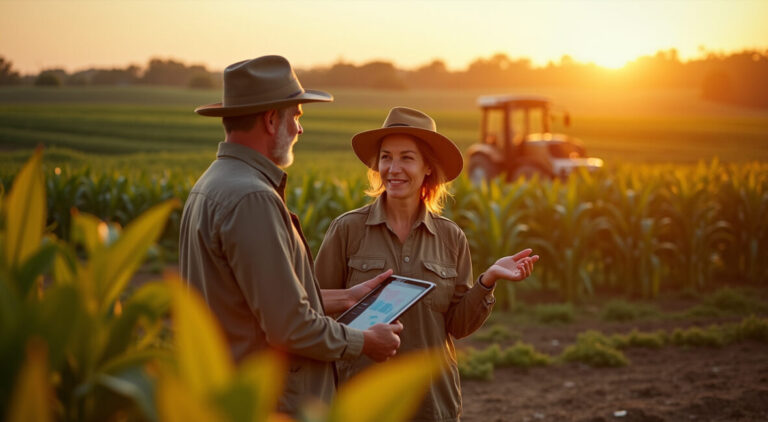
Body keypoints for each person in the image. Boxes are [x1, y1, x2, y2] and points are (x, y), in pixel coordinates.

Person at [179, 56, 403, 414]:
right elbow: (290, 328)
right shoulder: (252, 197)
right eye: (296, 115)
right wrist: (363, 341)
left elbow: (254, 304)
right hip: (269, 403)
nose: (300, 129)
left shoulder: (211, 184)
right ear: (271, 120)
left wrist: (345, 298)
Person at [315, 107, 539, 421]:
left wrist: (488, 280)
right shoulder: (347, 229)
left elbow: (458, 326)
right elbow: (314, 307)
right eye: (386, 157)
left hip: (432, 402)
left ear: (428, 168)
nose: (393, 168)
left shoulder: (451, 237)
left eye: (407, 157)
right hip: (362, 400)